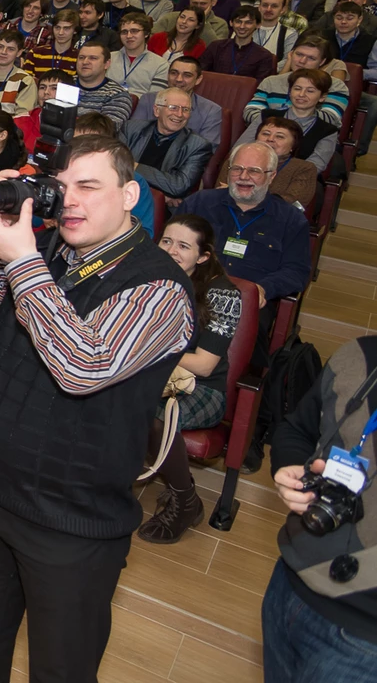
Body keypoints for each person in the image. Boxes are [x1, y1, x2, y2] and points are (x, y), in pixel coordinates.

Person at [0, 135, 194, 681]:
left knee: (60, 670)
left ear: (129, 196)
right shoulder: (42, 251)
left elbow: (83, 365)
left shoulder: (160, 286)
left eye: (88, 187)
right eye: (61, 186)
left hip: (72, 525)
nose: (70, 200)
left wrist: (24, 262)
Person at [263, 334, 377, 683]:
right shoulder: (358, 355)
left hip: (363, 638)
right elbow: (296, 430)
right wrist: (290, 469)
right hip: (291, 583)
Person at [133, 215, 244, 544]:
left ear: (203, 255)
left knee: (155, 417)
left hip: (201, 389)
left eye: (183, 246)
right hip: (148, 376)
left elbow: (205, 365)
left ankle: (185, 501)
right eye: (166, 241)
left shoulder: (224, 294)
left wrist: (149, 349)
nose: (171, 250)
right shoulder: (147, 277)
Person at [177, 142, 312, 356]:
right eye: (237, 169)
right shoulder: (198, 203)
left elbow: (296, 271)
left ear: (271, 176)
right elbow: (167, 248)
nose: (243, 176)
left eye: (254, 171)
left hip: (248, 303)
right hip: (192, 290)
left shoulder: (291, 220)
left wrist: (263, 289)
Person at [120, 86, 214, 200]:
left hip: (162, 206)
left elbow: (179, 186)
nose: (179, 114)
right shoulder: (131, 129)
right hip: (122, 194)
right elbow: (114, 165)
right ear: (157, 110)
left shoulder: (198, 146)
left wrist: (135, 166)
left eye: (185, 109)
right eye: (173, 108)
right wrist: (162, 195)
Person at [75, 39, 135, 124]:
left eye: (93, 58)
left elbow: (106, 129)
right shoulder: (64, 84)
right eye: (81, 58)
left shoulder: (117, 95)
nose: (85, 62)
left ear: (106, 64)